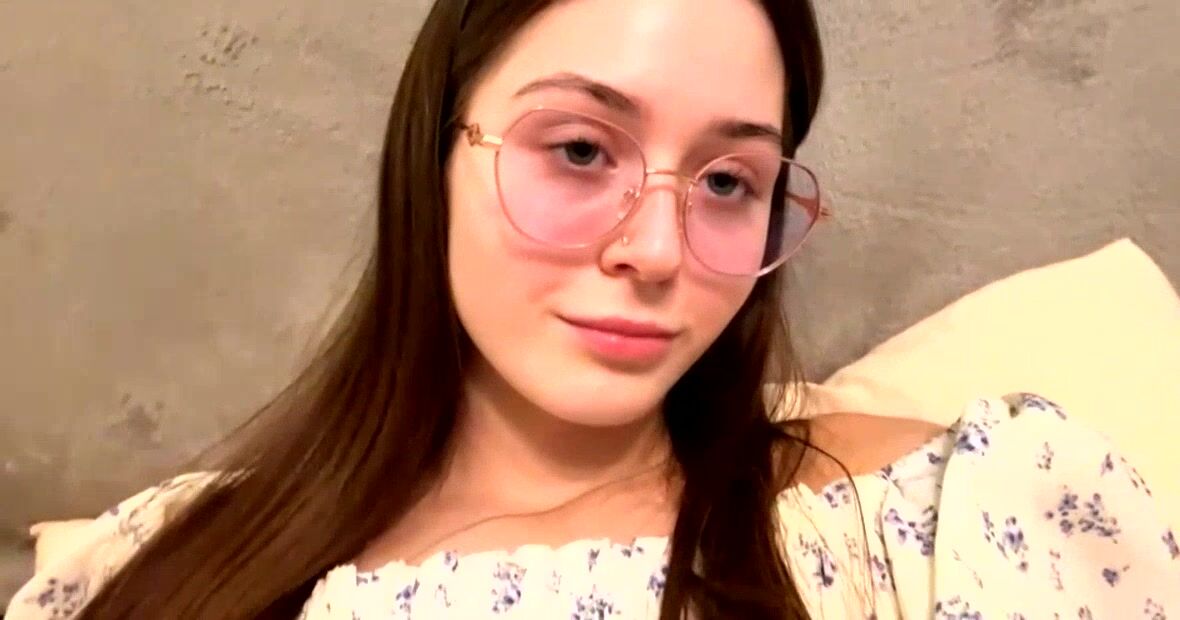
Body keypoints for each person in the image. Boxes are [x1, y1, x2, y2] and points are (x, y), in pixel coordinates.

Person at [7, 0, 1178, 618]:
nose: (657, 249)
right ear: (433, 155)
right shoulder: (156, 563)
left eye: (729, 182)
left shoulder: (943, 519)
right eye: (578, 149)